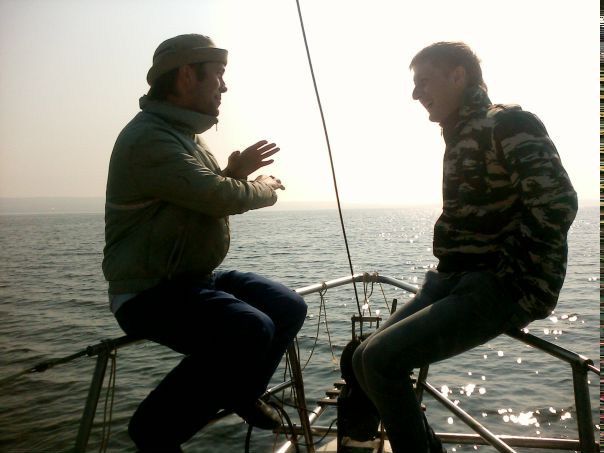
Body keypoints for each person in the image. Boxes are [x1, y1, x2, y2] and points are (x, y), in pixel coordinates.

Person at [351, 41, 577, 453]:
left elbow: (556, 202)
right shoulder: (459, 133)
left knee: (381, 361)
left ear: (458, 76)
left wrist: (511, 276)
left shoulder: (508, 123)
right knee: (361, 358)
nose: (416, 94)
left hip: (502, 285)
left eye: (424, 81)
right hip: (453, 279)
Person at [102, 34, 307, 453]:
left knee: (288, 307)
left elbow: (197, 197)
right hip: (147, 291)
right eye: (218, 75)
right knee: (250, 328)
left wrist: (233, 172)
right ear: (185, 76)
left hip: (193, 279)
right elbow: (216, 196)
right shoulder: (150, 139)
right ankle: (153, 430)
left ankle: (242, 392)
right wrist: (262, 186)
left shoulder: (184, 136)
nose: (224, 87)